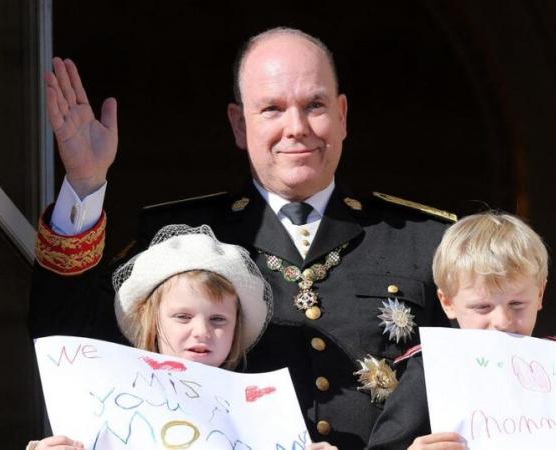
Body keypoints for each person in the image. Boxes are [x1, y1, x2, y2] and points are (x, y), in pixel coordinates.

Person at [30, 27, 455, 448]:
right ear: (238, 124)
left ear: (342, 116)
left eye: (315, 105)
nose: (297, 127)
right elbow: (72, 344)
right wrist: (84, 185)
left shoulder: (428, 243)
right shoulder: (176, 239)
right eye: (272, 108)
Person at [29, 224, 336, 450]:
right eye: (182, 317)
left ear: (236, 330)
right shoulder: (102, 401)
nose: (201, 331)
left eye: (218, 319)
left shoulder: (268, 418)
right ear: (151, 323)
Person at [368, 212, 549, 450]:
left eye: (517, 304)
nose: (502, 321)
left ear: (539, 294)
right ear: (447, 303)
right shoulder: (431, 368)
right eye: (482, 307)